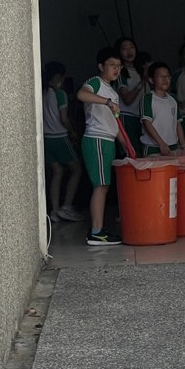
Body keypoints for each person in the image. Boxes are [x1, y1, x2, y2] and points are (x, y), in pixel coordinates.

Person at [77, 48, 124, 246]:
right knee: (101, 185)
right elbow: (81, 94)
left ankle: (99, 230)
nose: (116, 69)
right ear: (101, 66)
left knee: (104, 185)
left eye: (119, 66)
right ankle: (96, 232)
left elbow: (115, 124)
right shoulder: (96, 82)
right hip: (96, 138)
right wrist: (106, 102)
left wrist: (126, 145)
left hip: (108, 140)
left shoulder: (112, 92)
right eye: (112, 65)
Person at [42, 61, 84, 222]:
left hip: (46, 138)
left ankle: (54, 210)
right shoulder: (60, 94)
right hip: (59, 137)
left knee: (57, 172)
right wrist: (73, 133)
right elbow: (64, 118)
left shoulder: (42, 93)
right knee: (77, 169)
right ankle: (67, 206)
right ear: (58, 77)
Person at [140, 62, 185, 156]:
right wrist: (161, 143)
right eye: (161, 76)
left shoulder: (173, 99)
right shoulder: (148, 98)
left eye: (167, 76)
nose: (165, 79)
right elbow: (147, 122)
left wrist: (183, 144)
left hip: (173, 146)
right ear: (151, 80)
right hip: (153, 147)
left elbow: (178, 123)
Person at [114, 37, 147, 155]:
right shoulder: (119, 73)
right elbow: (127, 99)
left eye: (131, 47)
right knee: (131, 153)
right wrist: (142, 81)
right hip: (126, 116)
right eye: (124, 49)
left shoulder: (140, 71)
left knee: (142, 153)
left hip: (141, 117)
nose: (129, 51)